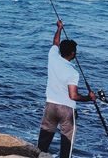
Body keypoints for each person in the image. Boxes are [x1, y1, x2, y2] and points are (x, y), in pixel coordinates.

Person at [37, 20, 96, 158]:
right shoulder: (73, 72)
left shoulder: (52, 57)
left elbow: (55, 42)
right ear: (72, 54)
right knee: (66, 144)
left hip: (50, 106)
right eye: (75, 52)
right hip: (66, 111)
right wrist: (89, 98)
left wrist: (59, 28)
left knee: (44, 141)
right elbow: (73, 96)